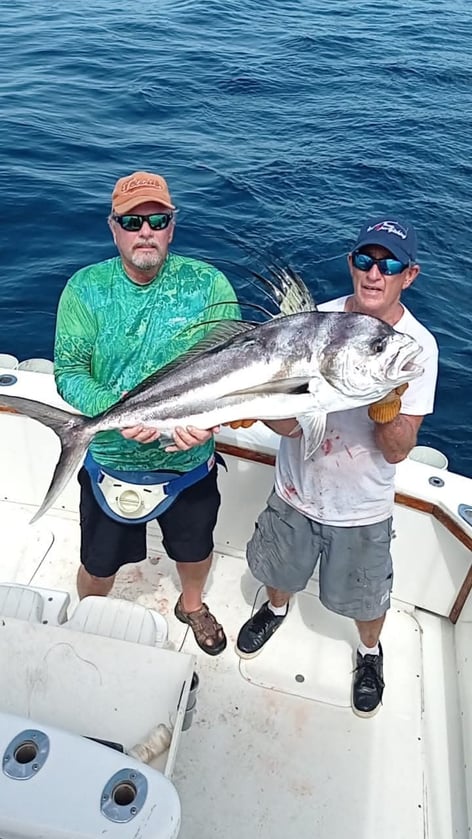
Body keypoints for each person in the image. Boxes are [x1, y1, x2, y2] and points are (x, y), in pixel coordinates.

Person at [235, 217, 438, 716]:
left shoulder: (417, 348)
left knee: (367, 604)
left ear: (408, 276)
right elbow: (292, 429)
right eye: (365, 260)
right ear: (351, 265)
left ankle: (369, 653)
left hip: (362, 507)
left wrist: (387, 409)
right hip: (294, 490)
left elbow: (395, 452)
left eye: (389, 264)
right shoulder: (312, 324)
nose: (375, 273)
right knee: (279, 572)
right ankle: (275, 609)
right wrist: (261, 405)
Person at [54, 170, 241, 656]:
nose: (145, 231)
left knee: (195, 551)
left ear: (172, 226)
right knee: (98, 565)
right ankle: (88, 617)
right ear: (112, 227)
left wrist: (207, 427)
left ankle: (192, 605)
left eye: (157, 220)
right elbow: (70, 373)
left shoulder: (208, 285)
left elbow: (234, 379)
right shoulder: (84, 288)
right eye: (132, 221)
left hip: (188, 463)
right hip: (111, 462)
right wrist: (119, 414)